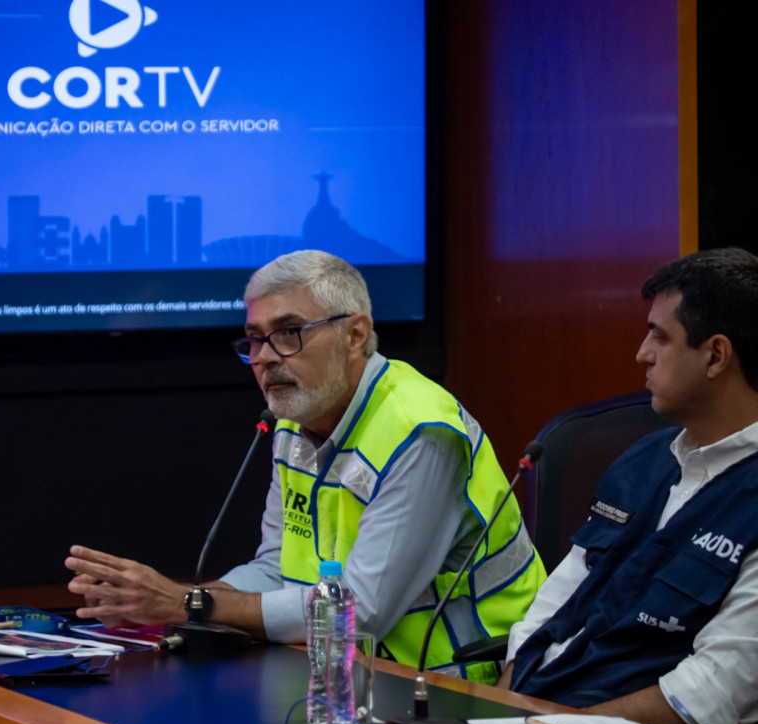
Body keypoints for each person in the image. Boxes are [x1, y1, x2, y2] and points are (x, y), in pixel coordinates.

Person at [66, 249, 546, 684]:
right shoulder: (295, 420)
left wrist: (188, 602)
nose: (265, 359)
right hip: (345, 673)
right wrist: (162, 605)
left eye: (288, 333)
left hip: (464, 684)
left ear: (355, 335)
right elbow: (277, 568)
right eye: (255, 340)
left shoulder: (419, 432)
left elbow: (361, 612)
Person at [501, 247, 758, 724]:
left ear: (715, 355)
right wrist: (502, 712)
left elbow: (705, 695)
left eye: (659, 336)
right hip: (536, 716)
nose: (642, 353)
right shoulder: (644, 458)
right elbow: (553, 606)